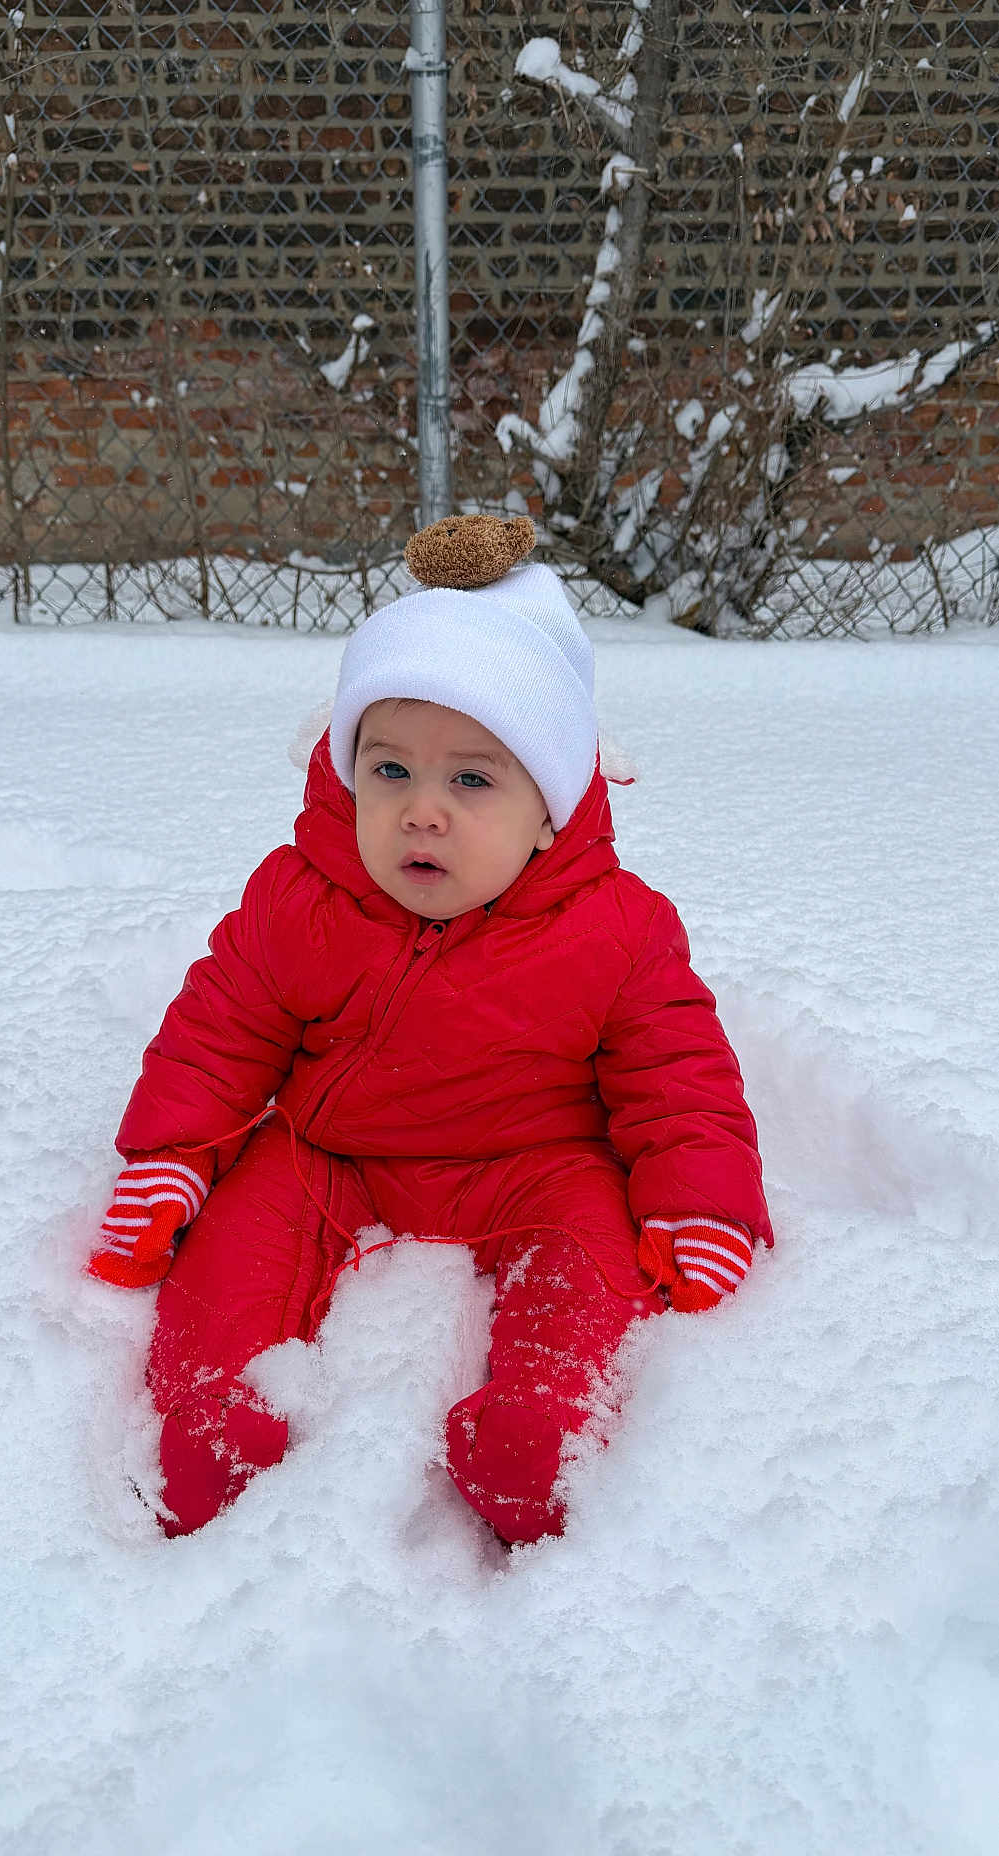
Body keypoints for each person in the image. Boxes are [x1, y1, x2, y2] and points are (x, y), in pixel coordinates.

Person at [86, 516, 772, 1546]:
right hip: (334, 1153)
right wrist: (173, 1159)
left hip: (536, 1162)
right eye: (391, 770)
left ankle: (545, 1429)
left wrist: (701, 1207)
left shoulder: (616, 928)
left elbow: (679, 1078)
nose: (421, 812)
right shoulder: (302, 898)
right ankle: (211, 1422)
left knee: (592, 1258)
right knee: (233, 1250)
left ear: (551, 806)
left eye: (472, 779)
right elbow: (221, 1029)